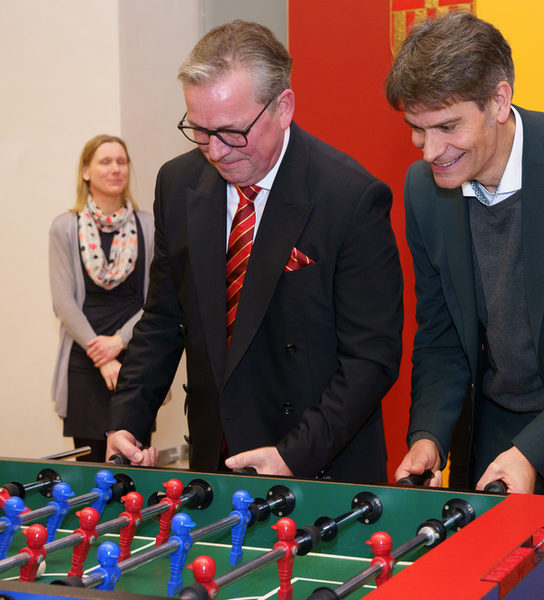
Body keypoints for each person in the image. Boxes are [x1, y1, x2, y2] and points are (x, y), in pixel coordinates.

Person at [106, 20, 403, 483]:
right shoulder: (178, 183)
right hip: (215, 460)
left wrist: (294, 456)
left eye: (231, 132)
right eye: (199, 130)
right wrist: (128, 419)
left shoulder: (350, 197)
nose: (215, 151)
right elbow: (163, 319)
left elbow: (371, 358)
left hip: (318, 467)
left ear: (283, 108)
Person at [386, 11, 544, 596]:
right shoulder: (423, 191)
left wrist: (536, 450)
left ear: (499, 101)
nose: (430, 151)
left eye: (447, 126)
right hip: (494, 450)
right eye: (416, 130)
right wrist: (428, 436)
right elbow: (441, 336)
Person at [50, 135, 154, 462]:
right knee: (90, 466)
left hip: (134, 359)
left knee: (132, 465)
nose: (115, 169)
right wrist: (103, 356)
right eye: (105, 162)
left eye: (121, 162)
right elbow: (63, 303)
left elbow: (157, 300)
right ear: (85, 172)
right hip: (85, 361)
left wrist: (119, 342)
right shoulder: (64, 227)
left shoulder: (149, 226)